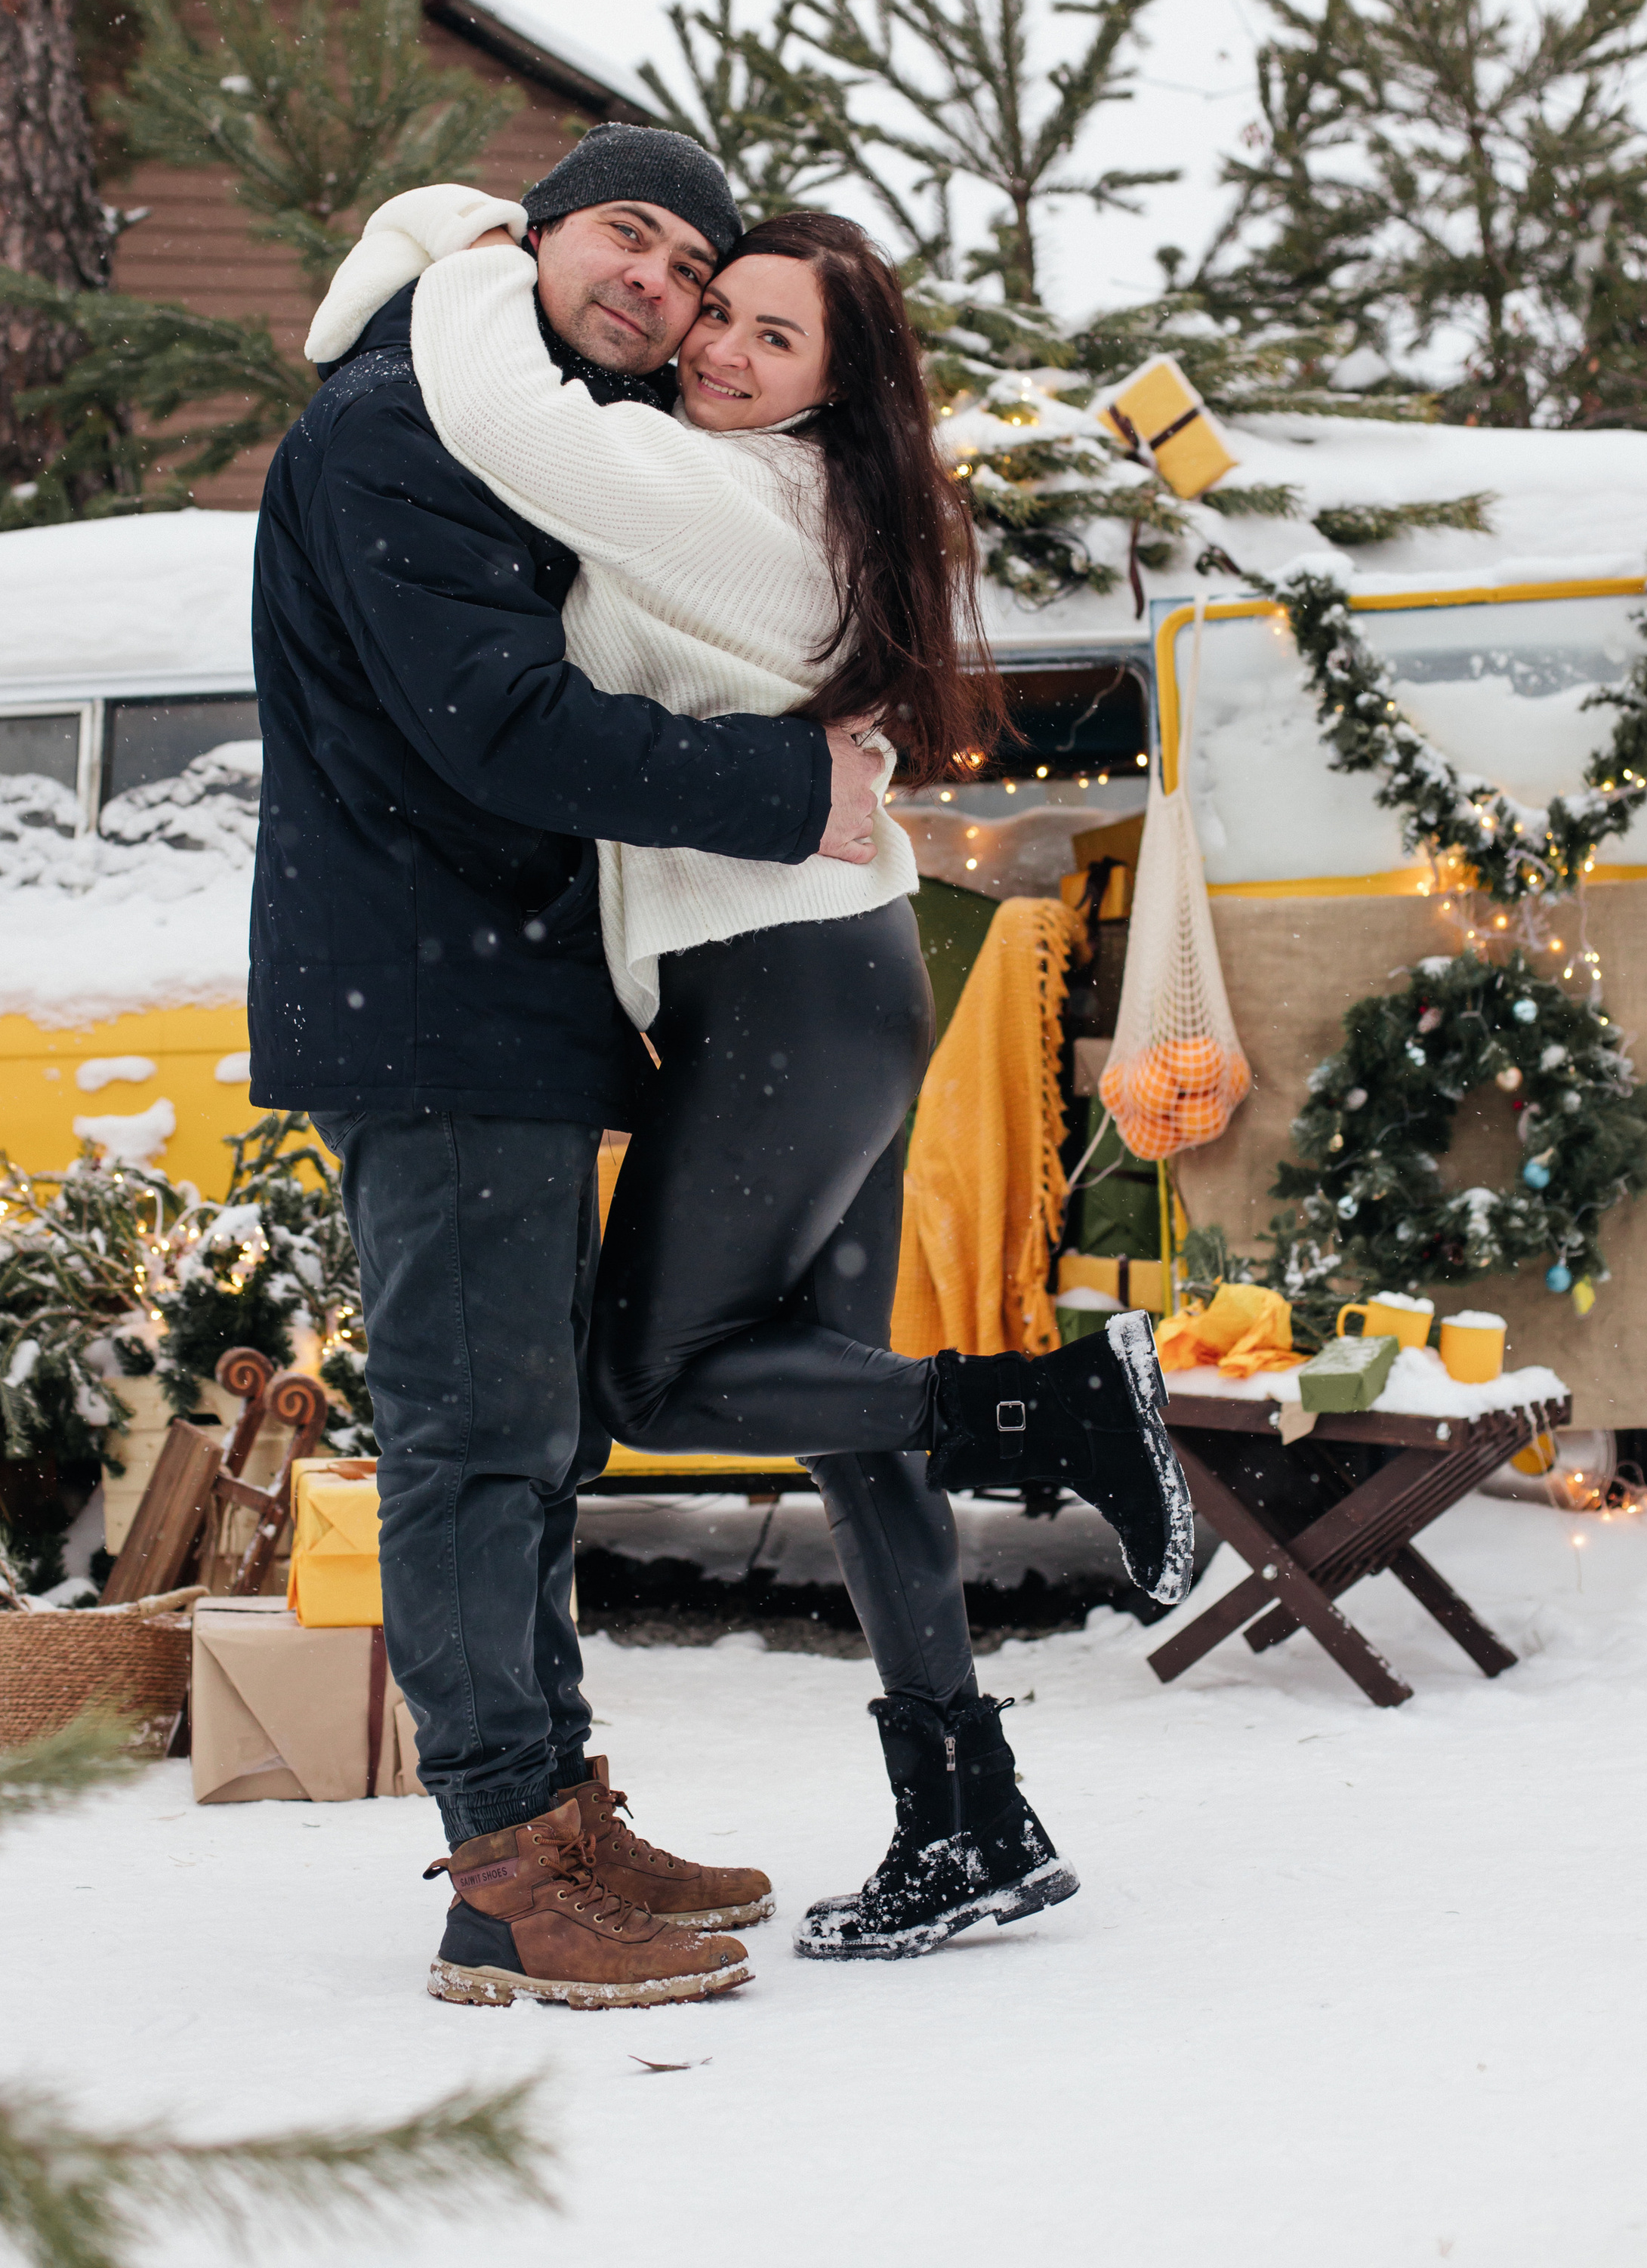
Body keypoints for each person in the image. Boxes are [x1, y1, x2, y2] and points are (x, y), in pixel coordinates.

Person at [306, 181, 1195, 1965]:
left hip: (777, 991)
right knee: (843, 1404)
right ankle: (965, 1812)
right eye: (718, 310)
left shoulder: (719, 493)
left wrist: (462, 243)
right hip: (835, 975)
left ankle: (1051, 1408)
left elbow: (498, 412)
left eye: (769, 335)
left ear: (826, 390)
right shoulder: (800, 496)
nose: (713, 344)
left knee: (650, 1373)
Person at [250, 124, 889, 2015]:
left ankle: (555, 1810)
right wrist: (792, 787)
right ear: (533, 235)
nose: (659, 287)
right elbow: (502, 723)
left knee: (531, 1441)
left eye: (693, 271)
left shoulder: (508, 423)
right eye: (629, 235)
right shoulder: (395, 428)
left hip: (498, 998)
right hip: (427, 1002)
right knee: (472, 1440)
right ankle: (507, 1879)